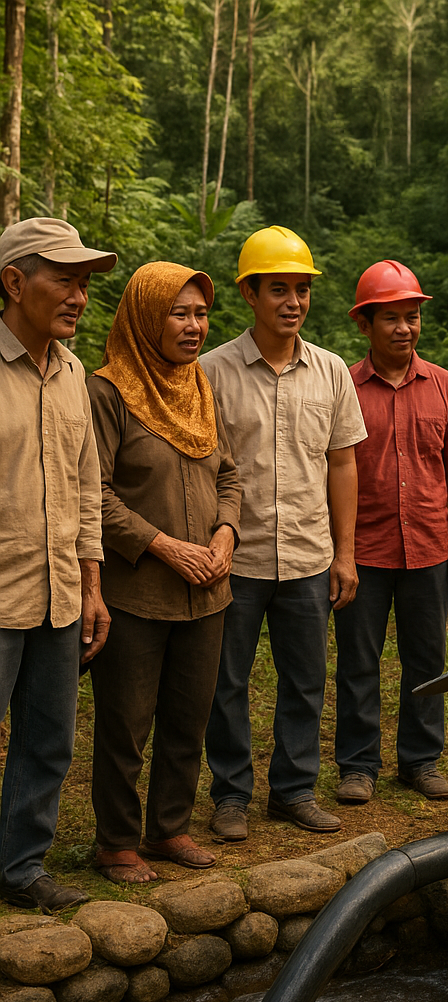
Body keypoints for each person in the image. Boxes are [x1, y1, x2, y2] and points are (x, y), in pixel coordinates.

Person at [202, 226, 366, 841]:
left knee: (305, 681)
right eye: (279, 289)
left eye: (302, 289)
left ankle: (294, 790)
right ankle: (230, 796)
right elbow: (202, 469)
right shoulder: (212, 372)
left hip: (308, 554)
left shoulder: (330, 371)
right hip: (236, 559)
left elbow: (342, 463)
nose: (293, 302)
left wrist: (345, 554)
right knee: (226, 682)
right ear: (250, 293)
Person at [87, 262, 241, 882]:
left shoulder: (200, 385)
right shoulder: (108, 392)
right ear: (146, 317)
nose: (194, 326)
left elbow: (228, 474)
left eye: (201, 314)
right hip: (136, 593)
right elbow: (93, 493)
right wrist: (162, 546)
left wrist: (225, 532)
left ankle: (169, 827)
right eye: (179, 313)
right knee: (125, 723)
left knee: (189, 717)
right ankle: (116, 842)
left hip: (207, 592)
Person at [0, 217, 115, 913]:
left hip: (60, 594)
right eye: (65, 280)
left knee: (48, 742)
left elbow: (86, 486)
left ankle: (20, 868)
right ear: (14, 282)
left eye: (85, 283)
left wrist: (92, 585)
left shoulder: (73, 373)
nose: (79, 296)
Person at [334, 260, 448, 805]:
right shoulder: (344, 387)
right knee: (358, 663)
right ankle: (358, 765)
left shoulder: (444, 385)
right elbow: (332, 467)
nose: (404, 328)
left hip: (428, 549)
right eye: (391, 318)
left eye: (412, 316)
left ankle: (420, 760)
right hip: (363, 553)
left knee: (426, 658)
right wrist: (340, 551)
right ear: (364, 324)